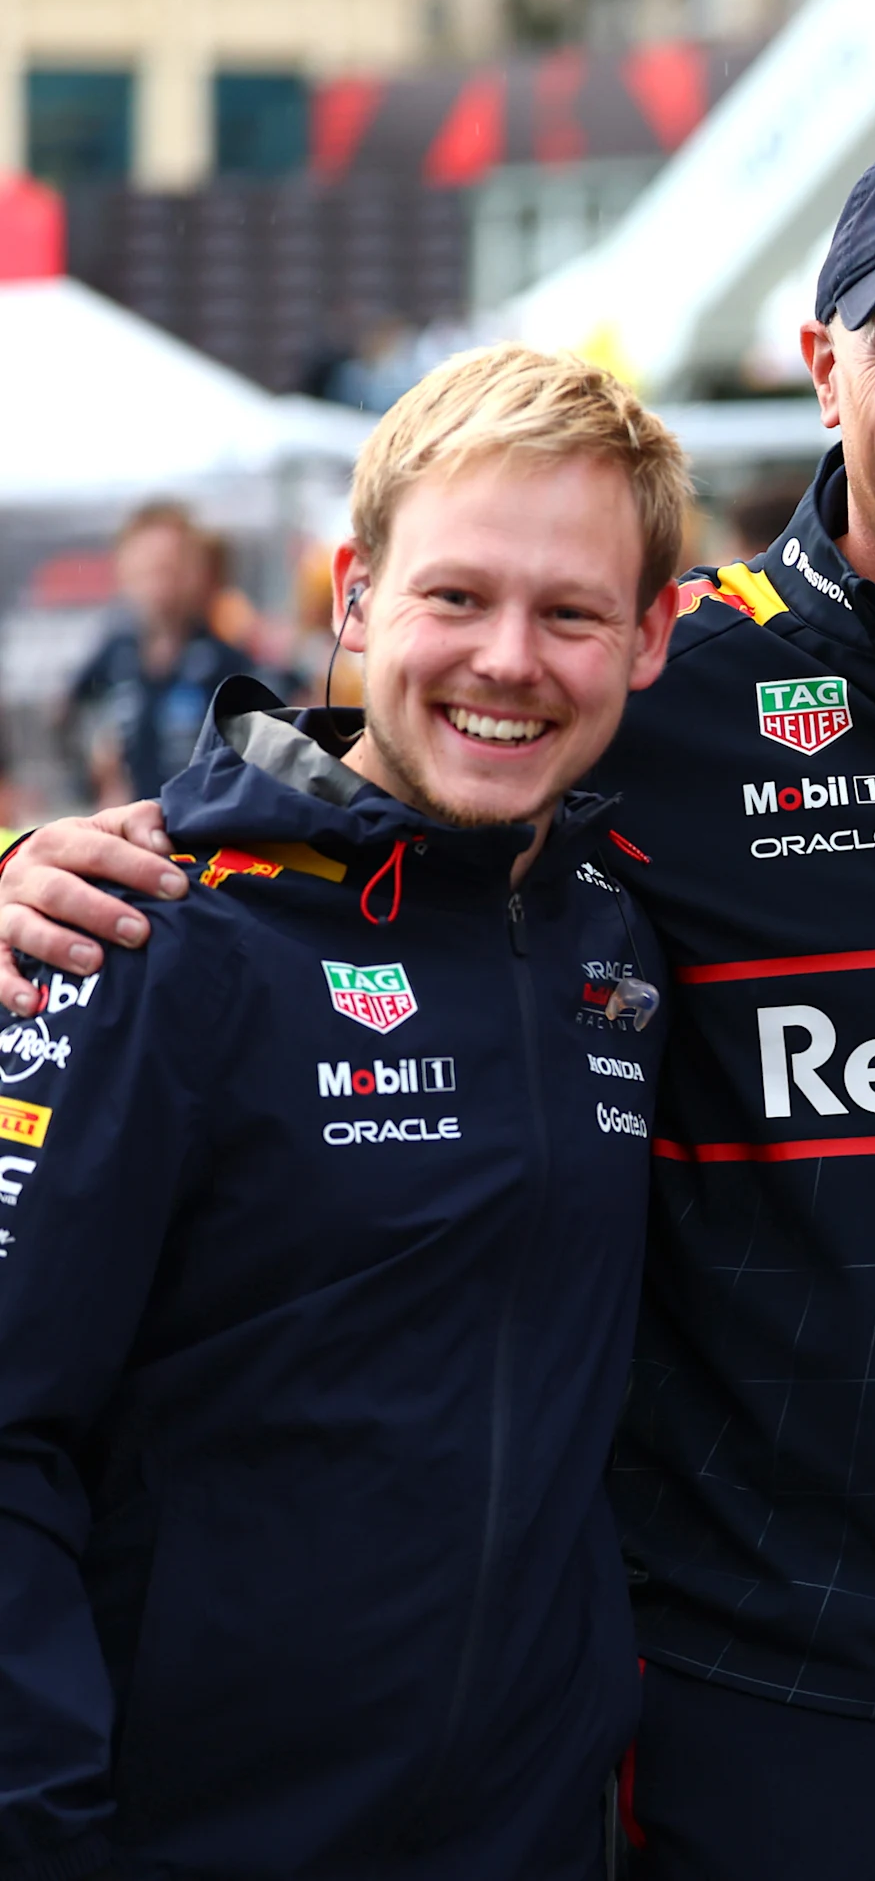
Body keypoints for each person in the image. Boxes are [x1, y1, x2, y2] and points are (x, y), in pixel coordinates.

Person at [0, 131, 875, 1880]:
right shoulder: (665, 691)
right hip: (785, 1701)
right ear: (825, 365)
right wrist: (31, 864)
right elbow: (375, 810)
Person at [0, 344, 680, 1875]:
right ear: (357, 598)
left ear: (648, 637)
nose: (508, 659)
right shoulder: (151, 933)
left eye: (571, 614)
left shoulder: (620, 944)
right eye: (457, 597)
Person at [71, 501, 261, 807]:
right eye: (148, 568)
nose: (160, 583)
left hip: (202, 825)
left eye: (172, 567)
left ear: (202, 572)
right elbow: (70, 717)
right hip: (123, 823)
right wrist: (94, 768)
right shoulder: (112, 659)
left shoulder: (228, 666)